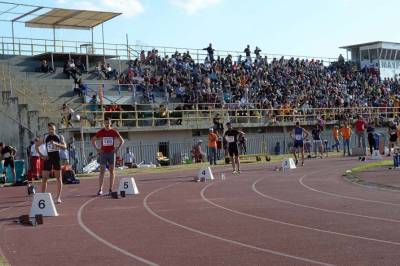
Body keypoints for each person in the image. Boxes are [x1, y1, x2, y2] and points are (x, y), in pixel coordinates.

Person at [91, 117, 124, 196]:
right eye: (105, 123)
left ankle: (110, 189)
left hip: (111, 153)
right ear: (104, 123)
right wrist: (97, 149)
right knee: (102, 171)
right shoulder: (101, 132)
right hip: (103, 153)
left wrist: (117, 149)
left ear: (110, 123)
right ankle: (100, 189)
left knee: (112, 171)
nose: (106, 124)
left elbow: (122, 141)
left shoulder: (113, 131)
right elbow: (93, 140)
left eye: (108, 123)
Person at [36, 123, 66, 203]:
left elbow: (65, 146)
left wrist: (56, 144)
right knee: (44, 178)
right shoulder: (45, 137)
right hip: (48, 158)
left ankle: (58, 197)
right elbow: (36, 146)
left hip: (56, 158)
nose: (51, 131)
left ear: (55, 129)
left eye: (52, 129)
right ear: (48, 129)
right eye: (49, 129)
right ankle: (43, 197)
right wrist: (41, 156)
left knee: (58, 178)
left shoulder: (59, 137)